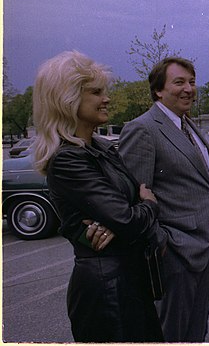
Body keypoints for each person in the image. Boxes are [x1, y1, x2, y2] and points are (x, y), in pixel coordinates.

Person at [32, 50, 164, 342]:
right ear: (66, 99)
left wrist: (121, 220)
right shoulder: (68, 160)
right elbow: (130, 217)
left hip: (129, 279)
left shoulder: (102, 148)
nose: (106, 98)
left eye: (104, 90)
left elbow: (124, 215)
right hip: (107, 290)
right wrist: (148, 206)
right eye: (95, 92)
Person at [118, 56, 209, 342]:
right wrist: (164, 246)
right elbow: (135, 197)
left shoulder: (188, 125)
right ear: (158, 89)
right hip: (174, 256)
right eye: (179, 82)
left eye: (192, 82)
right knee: (171, 334)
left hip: (205, 249)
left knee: (197, 331)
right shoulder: (143, 128)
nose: (189, 89)